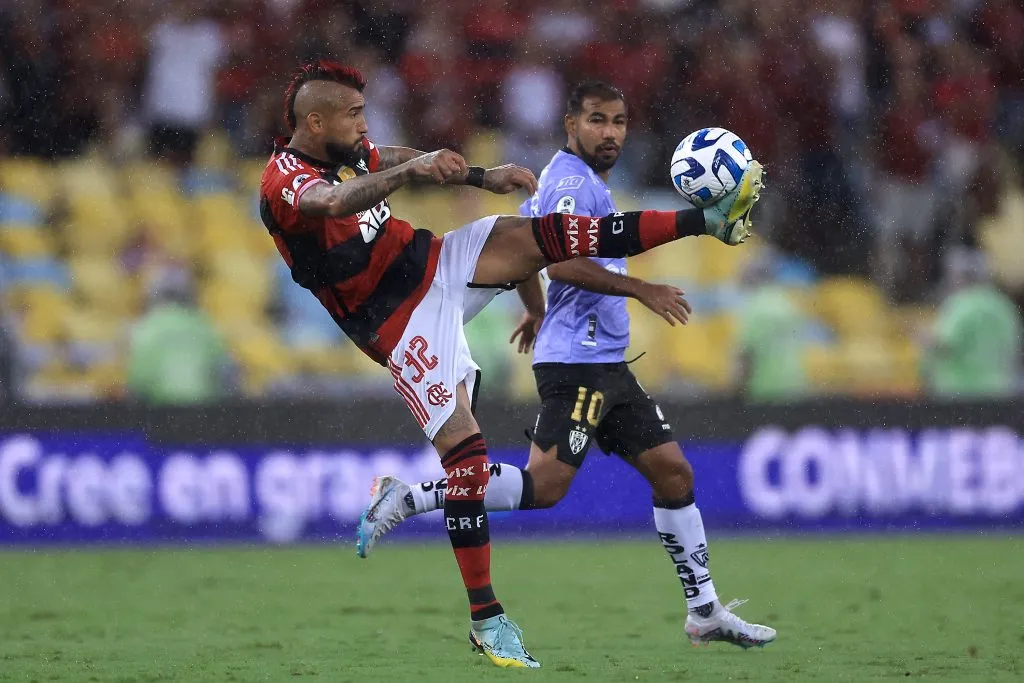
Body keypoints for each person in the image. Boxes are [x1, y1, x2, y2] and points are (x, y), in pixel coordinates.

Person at [260, 61, 762, 669]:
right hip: (397, 323)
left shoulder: (350, 146)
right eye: (353, 114)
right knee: (469, 459)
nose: (363, 126)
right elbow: (332, 199)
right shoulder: (282, 178)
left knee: (551, 234)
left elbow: (380, 154)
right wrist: (410, 170)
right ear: (314, 122)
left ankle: (706, 222)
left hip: (433, 262)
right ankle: (485, 619)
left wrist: (476, 174)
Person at [126, 268, 234, 405]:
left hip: (159, 410)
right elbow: (224, 371)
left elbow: (137, 380)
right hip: (203, 409)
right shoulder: (204, 325)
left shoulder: (146, 327)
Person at [925, 248, 1022, 398]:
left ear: (961, 277)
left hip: (962, 392)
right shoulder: (1004, 305)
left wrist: (921, 339)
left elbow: (945, 346)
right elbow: (1015, 346)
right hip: (1002, 391)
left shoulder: (963, 305)